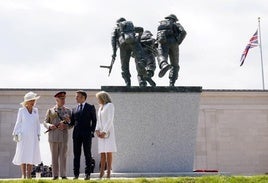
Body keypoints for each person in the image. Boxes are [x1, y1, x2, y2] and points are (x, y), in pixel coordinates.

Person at [12, 91, 41, 179]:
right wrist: (15, 133)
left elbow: (37, 123)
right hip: (23, 137)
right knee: (23, 154)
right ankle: (23, 174)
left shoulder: (36, 111)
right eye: (31, 100)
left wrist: (38, 134)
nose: (33, 102)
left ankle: (29, 174)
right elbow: (18, 122)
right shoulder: (21, 110)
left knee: (31, 154)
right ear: (26, 102)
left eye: (34, 100)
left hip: (33, 137)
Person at [111, 17, 147, 87]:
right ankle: (141, 81)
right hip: (134, 42)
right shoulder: (130, 27)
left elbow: (113, 41)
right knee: (139, 59)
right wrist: (139, 39)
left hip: (123, 44)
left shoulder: (116, 29)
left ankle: (127, 82)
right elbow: (141, 29)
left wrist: (114, 52)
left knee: (124, 64)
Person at [43, 91, 71, 180]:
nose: (63, 100)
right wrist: (49, 125)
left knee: (63, 156)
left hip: (63, 137)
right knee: (54, 157)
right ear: (56, 99)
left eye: (64, 98)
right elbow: (45, 122)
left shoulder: (68, 111)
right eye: (61, 99)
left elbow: (72, 124)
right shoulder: (50, 111)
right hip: (53, 137)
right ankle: (55, 175)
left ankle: (63, 175)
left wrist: (66, 125)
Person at [70, 90, 97, 180]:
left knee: (87, 154)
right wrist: (67, 121)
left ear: (83, 97)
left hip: (87, 134)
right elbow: (72, 123)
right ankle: (76, 174)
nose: (76, 98)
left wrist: (92, 131)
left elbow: (94, 120)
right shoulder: (74, 109)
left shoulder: (90, 107)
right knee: (76, 155)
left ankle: (87, 174)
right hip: (76, 135)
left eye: (77, 96)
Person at [156, 14, 187, 86]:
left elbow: (158, 37)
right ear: (174, 19)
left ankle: (164, 65)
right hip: (174, 43)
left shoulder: (161, 24)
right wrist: (178, 41)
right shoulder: (176, 24)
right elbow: (184, 32)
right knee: (175, 64)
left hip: (163, 42)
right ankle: (172, 82)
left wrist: (157, 44)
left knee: (161, 56)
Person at [95, 91, 117, 179]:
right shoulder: (100, 108)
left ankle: (108, 173)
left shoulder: (110, 106)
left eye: (98, 98)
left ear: (103, 98)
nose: (97, 100)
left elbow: (110, 119)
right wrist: (97, 130)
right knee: (102, 153)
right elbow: (98, 120)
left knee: (108, 151)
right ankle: (101, 172)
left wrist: (104, 131)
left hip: (108, 132)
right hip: (100, 133)